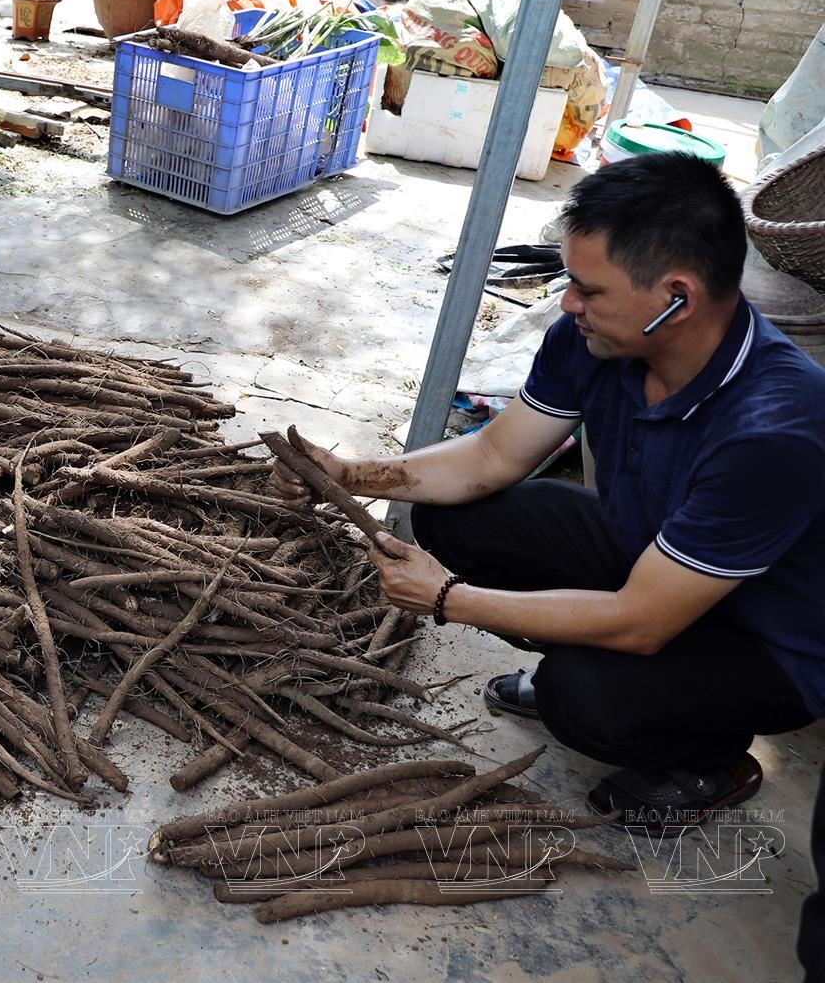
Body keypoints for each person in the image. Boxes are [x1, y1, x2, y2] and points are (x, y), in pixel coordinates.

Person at [271, 152, 825, 834]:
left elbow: (642, 620)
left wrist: (449, 599)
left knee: (581, 694)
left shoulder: (774, 430)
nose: (567, 304)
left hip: (767, 644)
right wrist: (350, 474)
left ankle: (711, 759)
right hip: (655, 557)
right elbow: (492, 454)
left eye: (588, 290)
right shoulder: (595, 341)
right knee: (458, 518)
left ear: (675, 297)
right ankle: (611, 670)